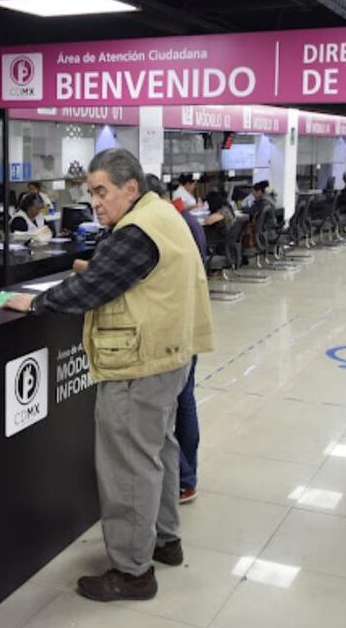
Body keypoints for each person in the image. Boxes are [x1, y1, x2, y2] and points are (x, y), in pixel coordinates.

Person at [3, 149, 213, 602]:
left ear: (130, 188)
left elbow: (92, 287)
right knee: (158, 449)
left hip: (138, 363)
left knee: (127, 467)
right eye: (91, 193)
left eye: (101, 191)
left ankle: (133, 572)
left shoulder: (136, 231)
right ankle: (165, 540)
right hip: (171, 354)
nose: (95, 202)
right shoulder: (161, 212)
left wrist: (35, 303)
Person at [144, 175, 205, 505]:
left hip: (171, 330)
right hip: (189, 322)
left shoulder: (164, 227)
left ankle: (182, 478)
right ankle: (188, 476)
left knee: (172, 408)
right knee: (186, 401)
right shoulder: (188, 222)